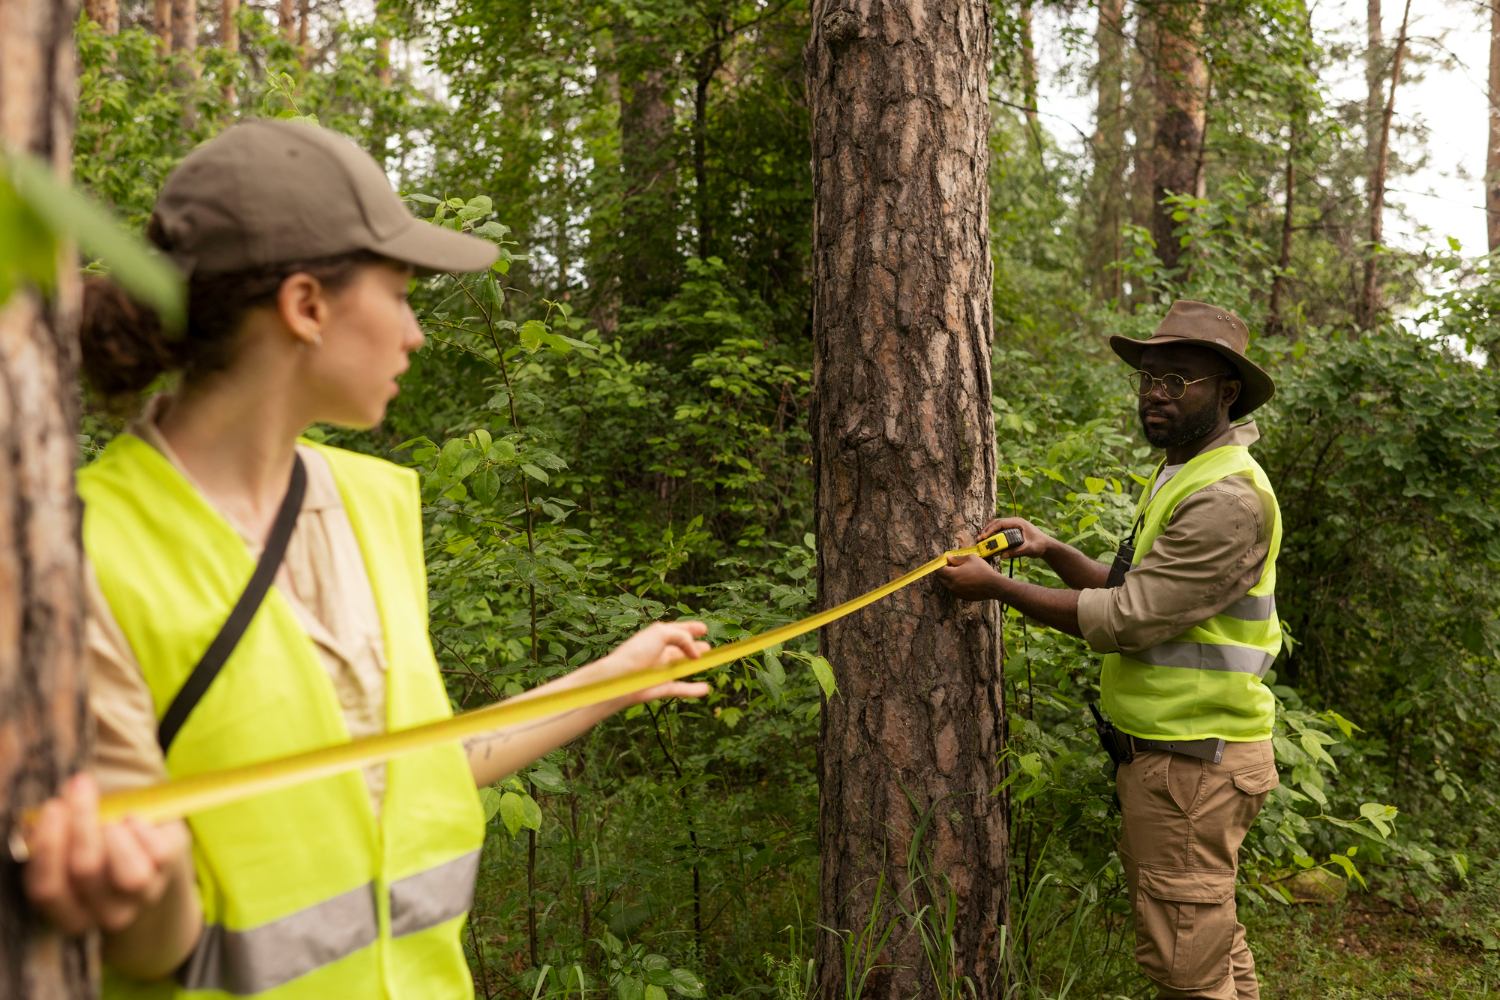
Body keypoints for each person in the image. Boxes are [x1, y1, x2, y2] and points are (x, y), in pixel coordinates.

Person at [21, 118, 711, 998]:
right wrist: (133, 887)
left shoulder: (373, 504)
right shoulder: (84, 555)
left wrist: (610, 677)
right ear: (307, 306)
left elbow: (410, 772)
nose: (415, 333)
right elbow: (150, 943)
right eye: (402, 294)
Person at [937, 300, 1283, 1000]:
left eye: (1177, 380)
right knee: (1210, 946)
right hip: (1179, 760)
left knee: (1186, 969)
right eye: (1149, 378)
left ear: (1227, 391)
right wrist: (1050, 549)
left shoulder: (1227, 498)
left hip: (1194, 765)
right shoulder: (1182, 472)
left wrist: (997, 591)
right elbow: (1138, 589)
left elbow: (1129, 618)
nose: (1156, 393)